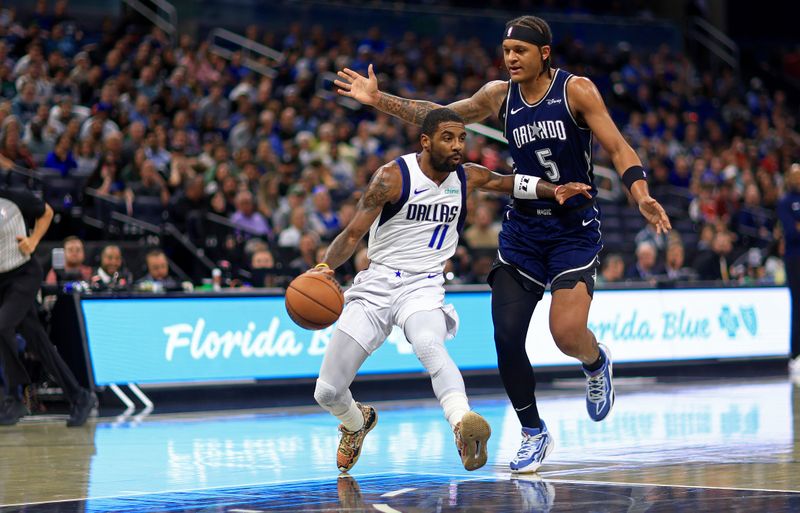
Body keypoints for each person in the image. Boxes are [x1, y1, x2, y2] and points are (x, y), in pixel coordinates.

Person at [335, 15, 671, 472]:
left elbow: (618, 146)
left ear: (544, 54)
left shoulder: (577, 91)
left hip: (573, 229)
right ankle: (533, 432)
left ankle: (595, 362)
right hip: (523, 232)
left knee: (565, 334)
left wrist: (641, 194)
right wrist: (379, 100)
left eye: (521, 51)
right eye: (507, 50)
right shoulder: (499, 95)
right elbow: (438, 116)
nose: (510, 58)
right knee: (507, 339)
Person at [308, 108, 590, 472]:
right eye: (448, 138)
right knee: (327, 391)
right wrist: (325, 268)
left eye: (461, 138)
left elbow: (510, 182)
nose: (457, 145)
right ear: (425, 141)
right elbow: (351, 234)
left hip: (424, 285)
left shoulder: (466, 176)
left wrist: (555, 189)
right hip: (377, 283)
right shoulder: (392, 177)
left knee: (429, 343)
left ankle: (462, 424)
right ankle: (355, 422)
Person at [0, 180, 96, 426]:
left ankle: (14, 398)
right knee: (39, 343)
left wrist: (33, 240)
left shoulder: (13, 194)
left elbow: (47, 213)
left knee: (2, 327)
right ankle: (79, 396)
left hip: (23, 275)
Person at [777, 163, 800, 378]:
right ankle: (795, 354)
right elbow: (792, 233)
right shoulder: (785, 202)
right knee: (797, 305)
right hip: (794, 259)